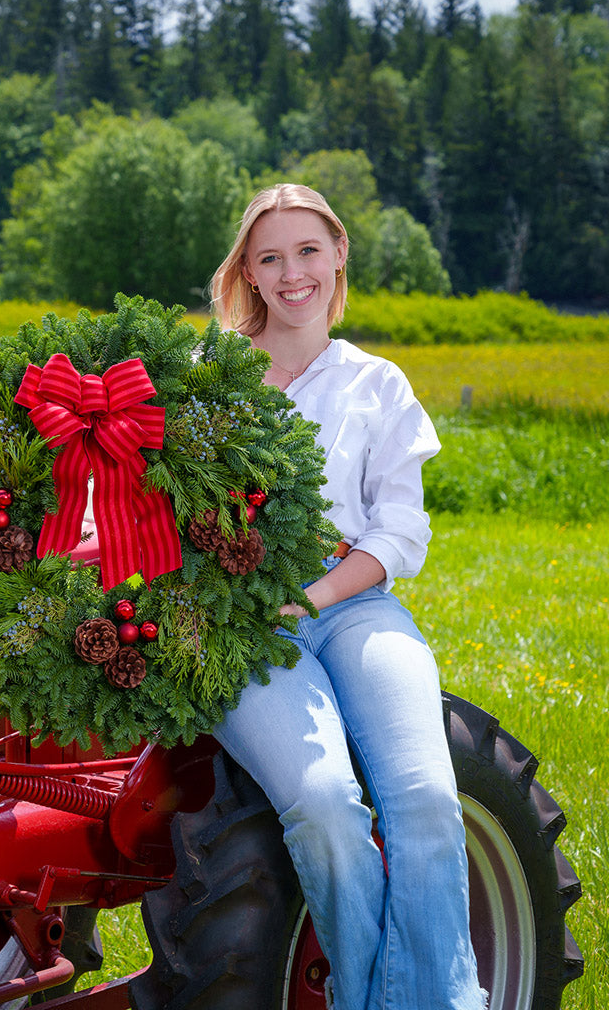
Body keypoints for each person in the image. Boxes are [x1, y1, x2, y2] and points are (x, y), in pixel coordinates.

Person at [210, 184, 486, 1010]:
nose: (293, 273)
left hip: (355, 608)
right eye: (271, 257)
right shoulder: (210, 378)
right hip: (245, 619)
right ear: (249, 276)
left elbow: (400, 535)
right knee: (326, 807)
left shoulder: (377, 384)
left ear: (336, 256)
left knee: (429, 801)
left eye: (307, 251)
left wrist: (320, 595)